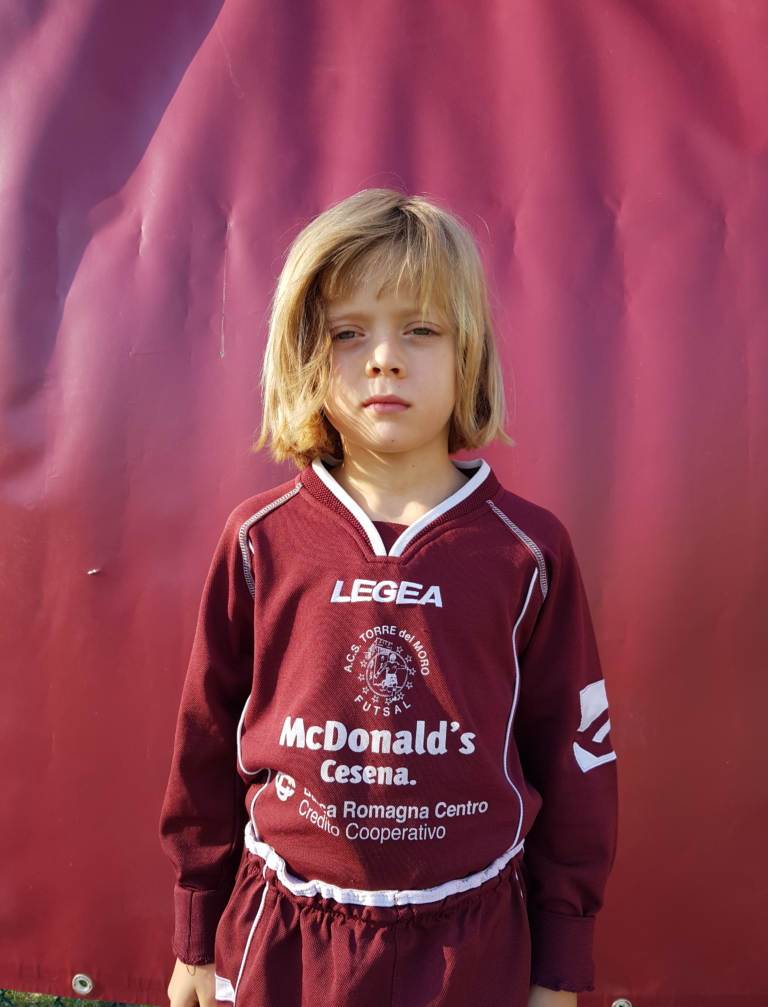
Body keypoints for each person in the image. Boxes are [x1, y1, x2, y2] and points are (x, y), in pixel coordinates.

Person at [160, 190, 618, 1007]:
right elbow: (204, 741)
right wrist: (197, 928)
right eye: (347, 333)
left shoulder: (528, 550)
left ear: (469, 352)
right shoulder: (259, 539)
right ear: (304, 355)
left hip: (473, 941)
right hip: (287, 935)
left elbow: (575, 758)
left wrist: (561, 960)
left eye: (421, 329)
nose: (383, 358)